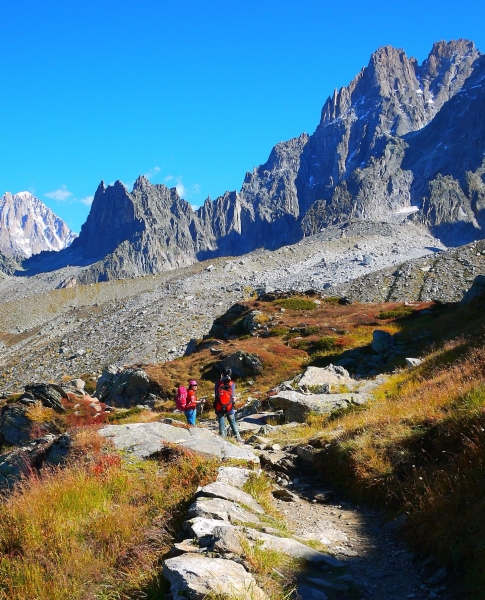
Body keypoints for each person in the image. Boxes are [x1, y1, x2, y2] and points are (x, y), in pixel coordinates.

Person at [214, 367, 242, 442]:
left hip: (219, 406)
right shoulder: (232, 384)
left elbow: (216, 395)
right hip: (229, 407)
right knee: (233, 423)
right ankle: (238, 439)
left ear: (221, 374)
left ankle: (223, 440)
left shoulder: (217, 383)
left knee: (221, 424)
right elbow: (233, 396)